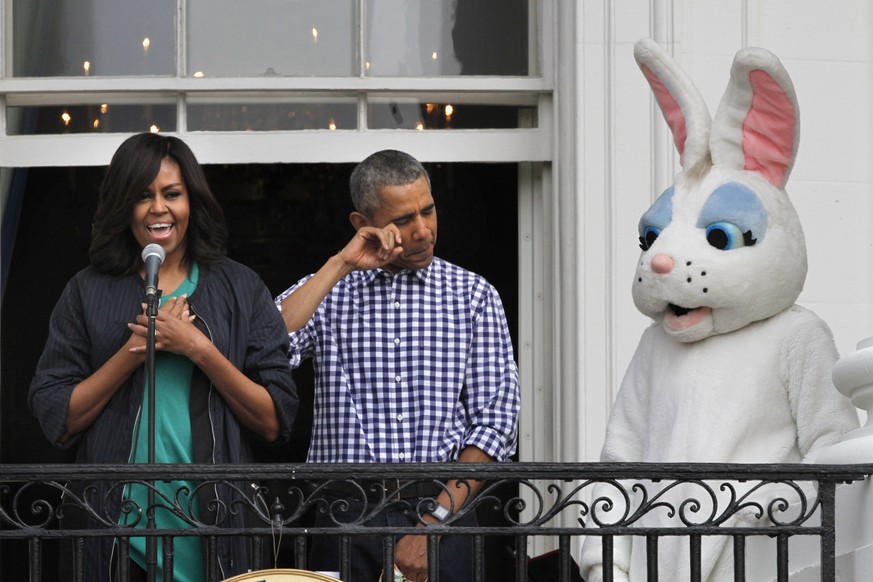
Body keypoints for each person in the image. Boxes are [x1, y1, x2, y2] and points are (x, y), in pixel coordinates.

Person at [29, 132, 299, 582]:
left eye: (171, 194)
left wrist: (197, 348)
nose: (159, 208)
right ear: (123, 208)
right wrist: (137, 349)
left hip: (215, 530)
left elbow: (275, 419)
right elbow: (57, 415)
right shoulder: (87, 290)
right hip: (113, 535)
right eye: (142, 196)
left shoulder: (240, 288)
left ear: (191, 202)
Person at [275, 149, 520, 582]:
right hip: (342, 512)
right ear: (362, 225)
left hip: (445, 510)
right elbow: (268, 346)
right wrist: (341, 264)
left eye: (428, 210)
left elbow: (496, 422)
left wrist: (434, 523)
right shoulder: (332, 290)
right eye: (404, 220)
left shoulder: (473, 296)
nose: (423, 230)